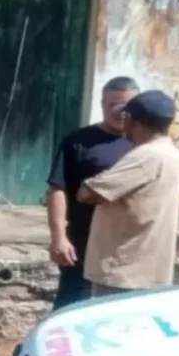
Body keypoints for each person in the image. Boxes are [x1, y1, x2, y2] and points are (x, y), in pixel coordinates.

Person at [78, 90, 179, 297]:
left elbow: (87, 194)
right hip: (148, 268)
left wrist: (91, 181)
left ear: (133, 121)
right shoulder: (172, 154)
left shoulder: (145, 157)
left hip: (123, 271)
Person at [45, 77, 139, 308]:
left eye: (128, 107)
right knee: (70, 307)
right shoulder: (78, 141)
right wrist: (59, 236)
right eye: (113, 106)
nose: (121, 113)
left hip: (128, 246)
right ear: (102, 105)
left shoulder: (145, 146)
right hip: (83, 244)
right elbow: (58, 189)